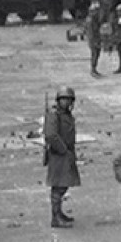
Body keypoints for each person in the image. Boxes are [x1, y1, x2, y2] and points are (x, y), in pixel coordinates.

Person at [44, 86, 80, 229]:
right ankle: (55, 217)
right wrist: (63, 149)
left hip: (67, 154)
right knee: (58, 187)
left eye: (68, 99)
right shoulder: (54, 115)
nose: (66, 102)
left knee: (63, 185)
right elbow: (51, 135)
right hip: (59, 155)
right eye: (63, 99)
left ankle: (59, 213)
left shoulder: (66, 114)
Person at [85, 1, 103, 77]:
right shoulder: (90, 20)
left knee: (97, 54)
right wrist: (95, 41)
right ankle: (93, 70)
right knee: (94, 54)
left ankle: (94, 69)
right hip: (93, 40)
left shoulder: (94, 19)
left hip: (96, 39)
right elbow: (91, 32)